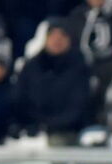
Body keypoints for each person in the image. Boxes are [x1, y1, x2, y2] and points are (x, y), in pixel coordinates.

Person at [13, 17, 92, 145]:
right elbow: (20, 99)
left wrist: (53, 125)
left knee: (57, 142)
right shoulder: (31, 66)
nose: (57, 40)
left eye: (62, 36)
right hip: (33, 130)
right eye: (52, 36)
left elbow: (79, 104)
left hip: (68, 131)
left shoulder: (79, 66)